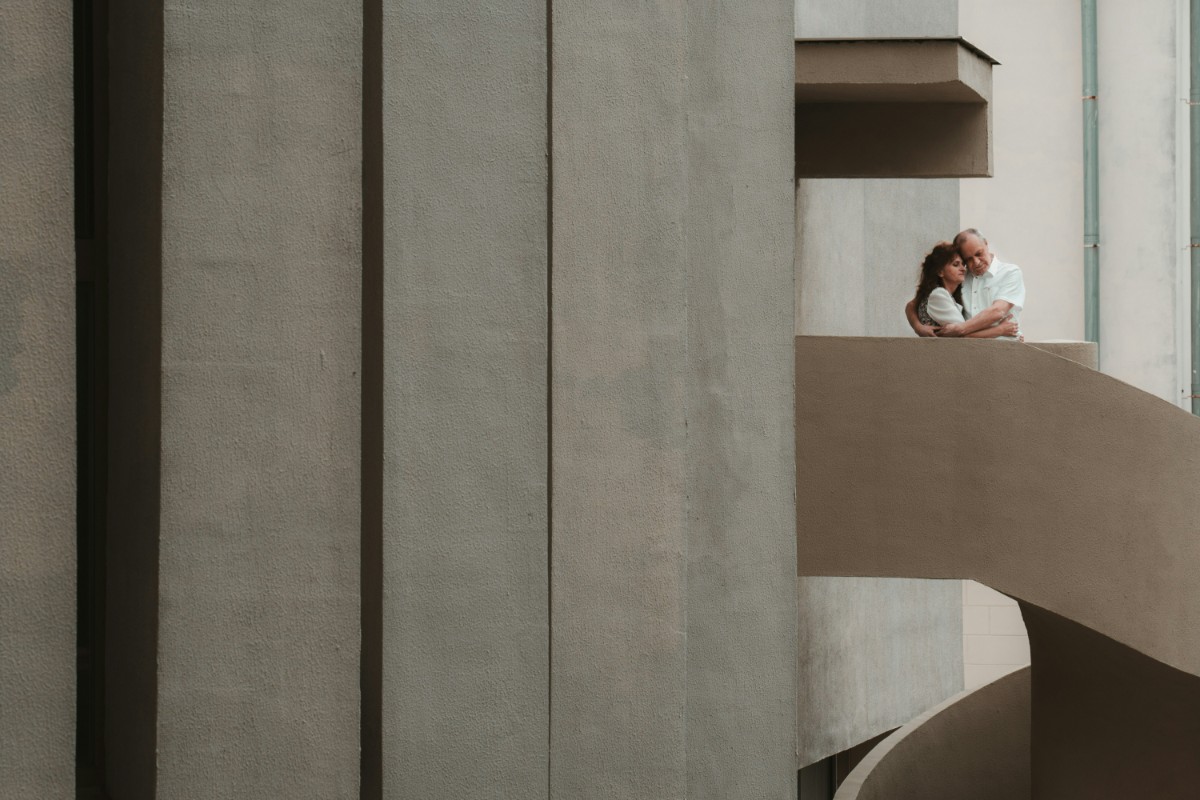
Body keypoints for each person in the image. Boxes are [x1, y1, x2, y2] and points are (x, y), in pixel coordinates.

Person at [906, 228, 1025, 339]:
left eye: (979, 254)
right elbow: (912, 305)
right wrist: (918, 327)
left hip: (1004, 349)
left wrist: (960, 329)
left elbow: (998, 311)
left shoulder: (1010, 272)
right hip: (969, 351)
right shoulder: (961, 276)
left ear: (986, 243)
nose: (976, 262)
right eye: (968, 259)